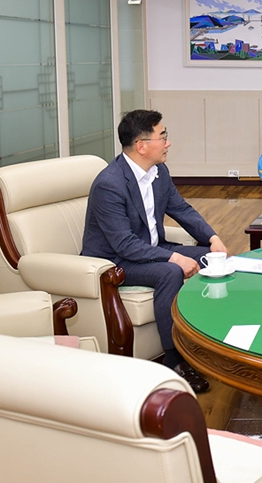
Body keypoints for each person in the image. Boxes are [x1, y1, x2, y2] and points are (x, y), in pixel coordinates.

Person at [82, 109, 226, 393]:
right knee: (169, 272)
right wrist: (173, 256)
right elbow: (123, 244)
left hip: (148, 249)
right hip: (113, 261)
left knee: (214, 260)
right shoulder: (109, 185)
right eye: (163, 137)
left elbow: (181, 209)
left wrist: (212, 238)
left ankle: (207, 342)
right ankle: (175, 360)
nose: (168, 143)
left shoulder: (158, 172)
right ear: (142, 146)